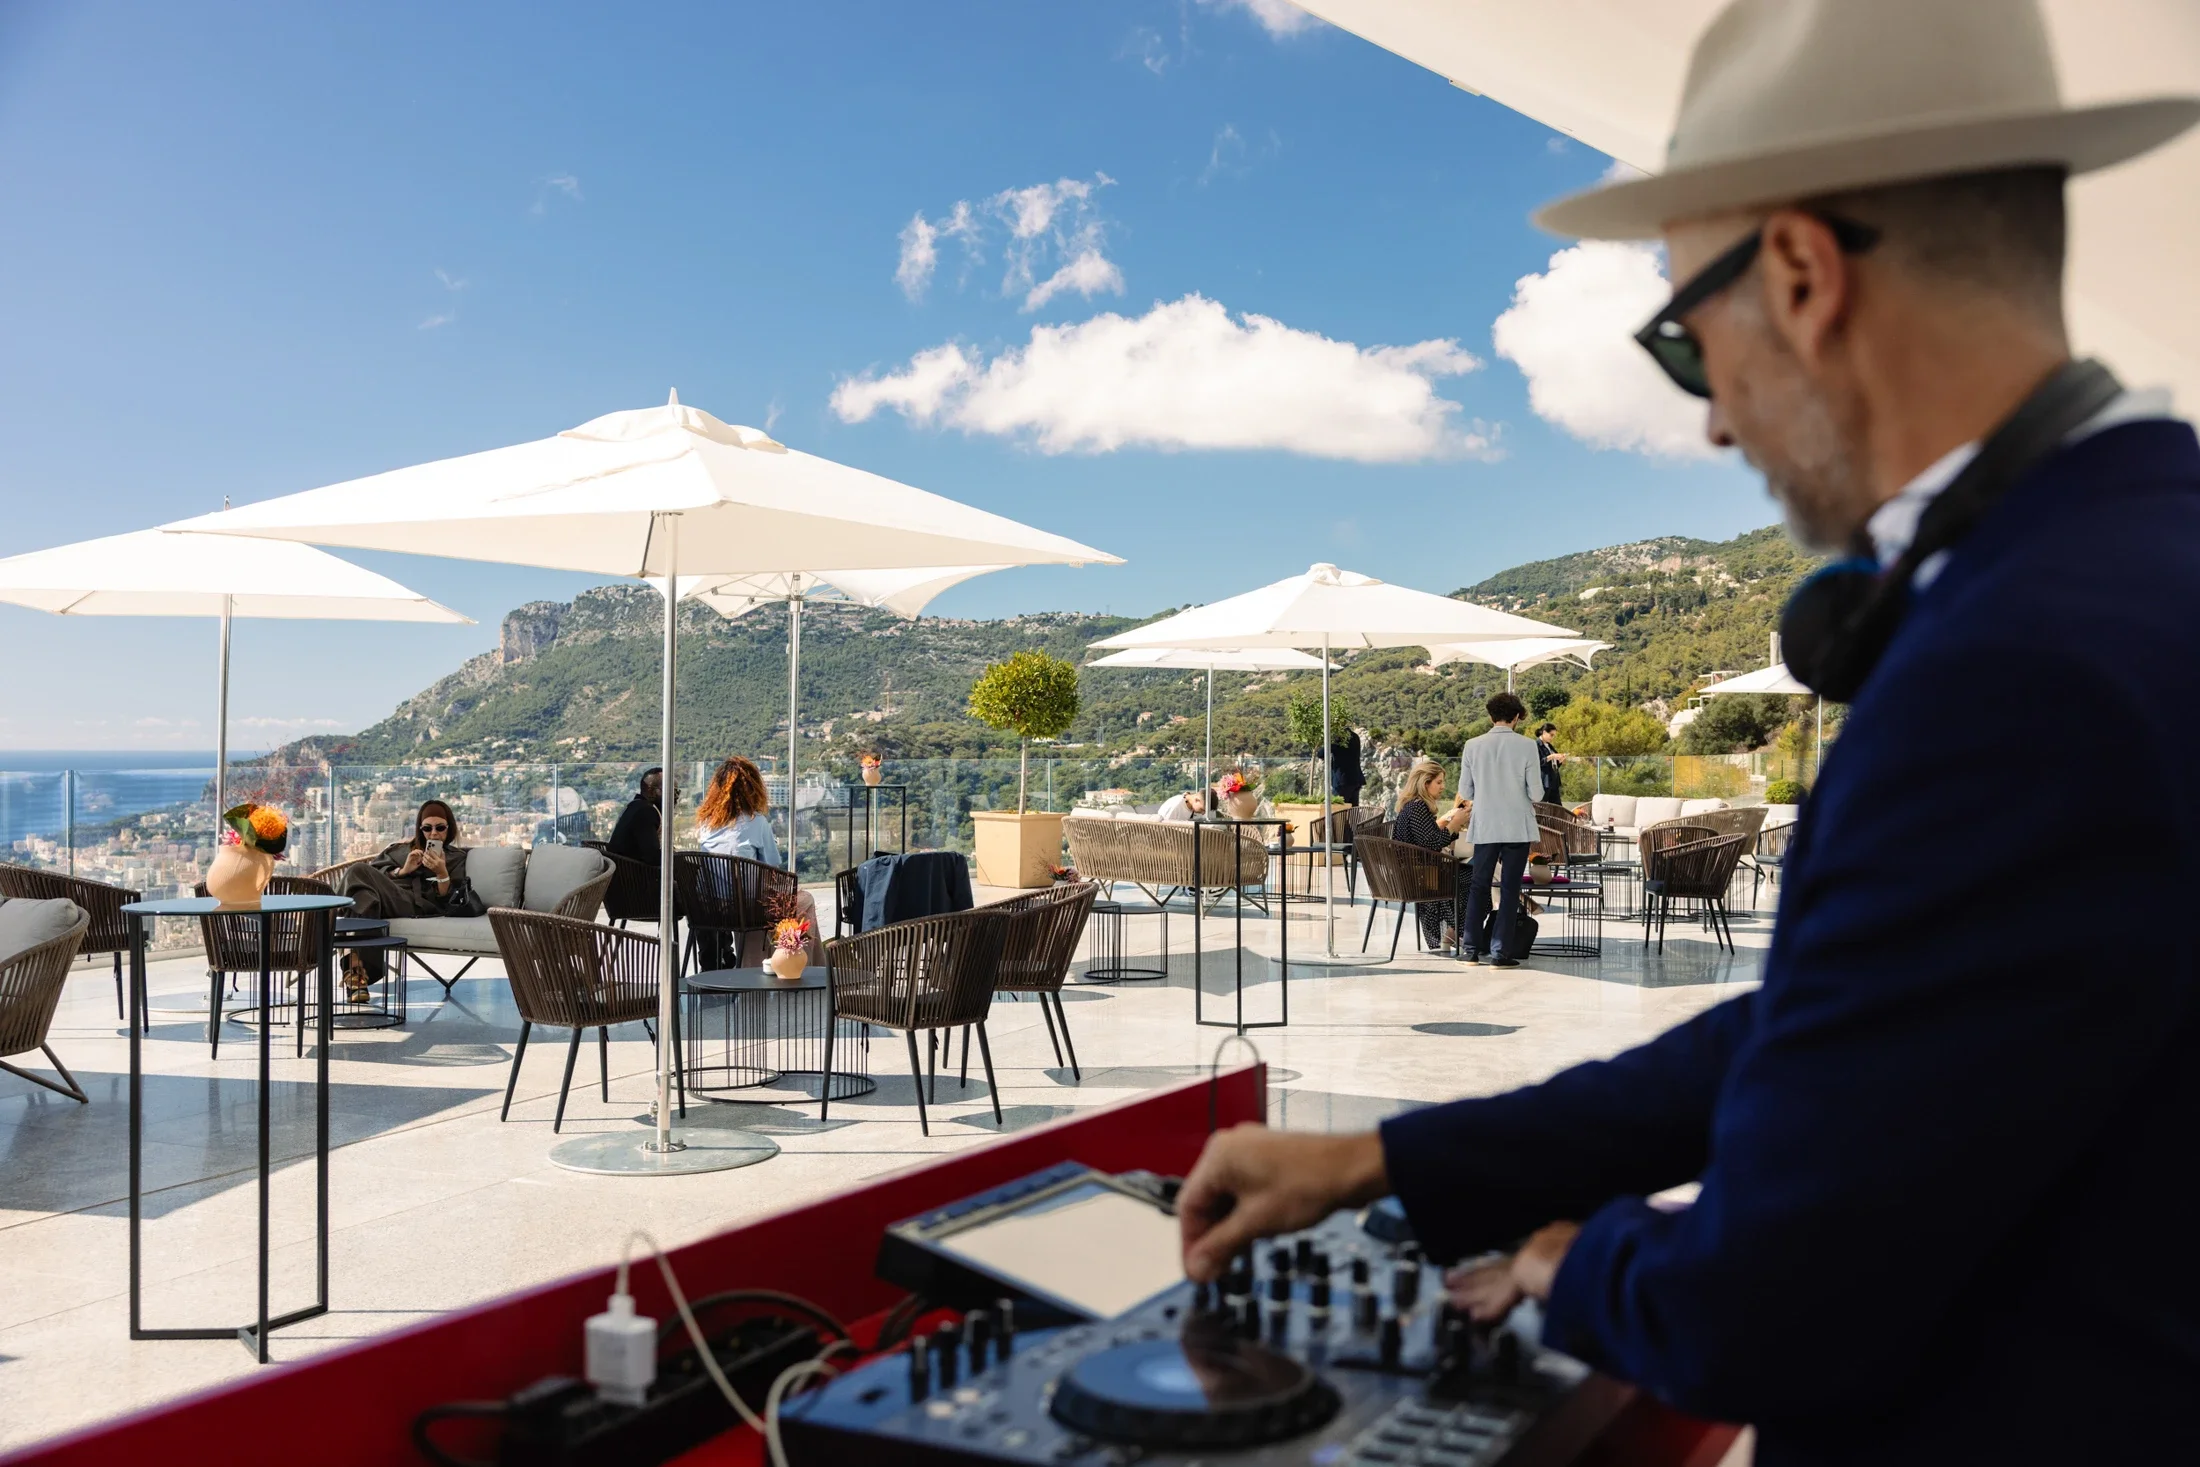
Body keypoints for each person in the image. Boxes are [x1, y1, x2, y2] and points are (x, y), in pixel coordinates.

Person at [1175, 3, 2200, 1462]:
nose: (1714, 420)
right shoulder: (2133, 567)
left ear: (1798, 271)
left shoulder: (2020, 668)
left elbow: (1778, 1303)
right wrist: (1389, 1156)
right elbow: (1844, 1031)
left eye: (1681, 340)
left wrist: (1561, 1261)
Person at [339, 799, 485, 996]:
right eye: (427, 828)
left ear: (449, 829)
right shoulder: (399, 850)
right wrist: (402, 870)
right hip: (386, 898)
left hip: (420, 905)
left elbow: (450, 900)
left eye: (440, 827)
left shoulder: (456, 858)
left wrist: (442, 873)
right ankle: (358, 975)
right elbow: (374, 873)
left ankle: (343, 947)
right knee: (365, 896)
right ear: (420, 829)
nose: (433, 833)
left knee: (357, 872)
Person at [694, 757, 823, 961]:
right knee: (804, 900)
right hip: (744, 911)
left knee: (757, 898)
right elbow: (773, 869)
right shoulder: (756, 822)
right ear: (754, 789)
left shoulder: (706, 823)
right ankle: (808, 967)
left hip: (708, 909)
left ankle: (753, 963)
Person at [1456, 693, 1544, 966]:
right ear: (1517, 717)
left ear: (1491, 716)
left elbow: (1465, 791)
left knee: (1479, 886)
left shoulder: (1472, 745)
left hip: (1485, 826)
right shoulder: (1528, 746)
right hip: (1517, 827)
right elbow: (1538, 794)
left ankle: (1470, 950)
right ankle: (1500, 953)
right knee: (1509, 889)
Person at [1389, 757, 1469, 952]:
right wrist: (1454, 824)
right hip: (1419, 877)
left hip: (1417, 873)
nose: (1443, 787)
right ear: (1425, 784)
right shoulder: (1417, 808)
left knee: (1472, 876)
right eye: (1439, 782)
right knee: (1476, 880)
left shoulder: (1414, 806)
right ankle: (1459, 932)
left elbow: (1428, 842)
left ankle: (1456, 931)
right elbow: (1433, 844)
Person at [606, 767, 663, 865]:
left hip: (623, 870)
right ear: (651, 790)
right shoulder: (646, 812)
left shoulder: (634, 806)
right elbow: (652, 856)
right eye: (669, 789)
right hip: (634, 875)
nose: (674, 795)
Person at [1532, 723, 1566, 807]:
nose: (1552, 737)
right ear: (1544, 732)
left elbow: (1554, 764)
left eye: (1554, 735)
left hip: (1554, 780)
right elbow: (1537, 762)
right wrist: (1551, 756)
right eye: (1551, 735)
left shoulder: (1549, 746)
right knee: (1541, 806)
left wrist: (1560, 760)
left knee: (1557, 807)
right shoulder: (1535, 745)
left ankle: (1556, 820)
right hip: (1544, 781)